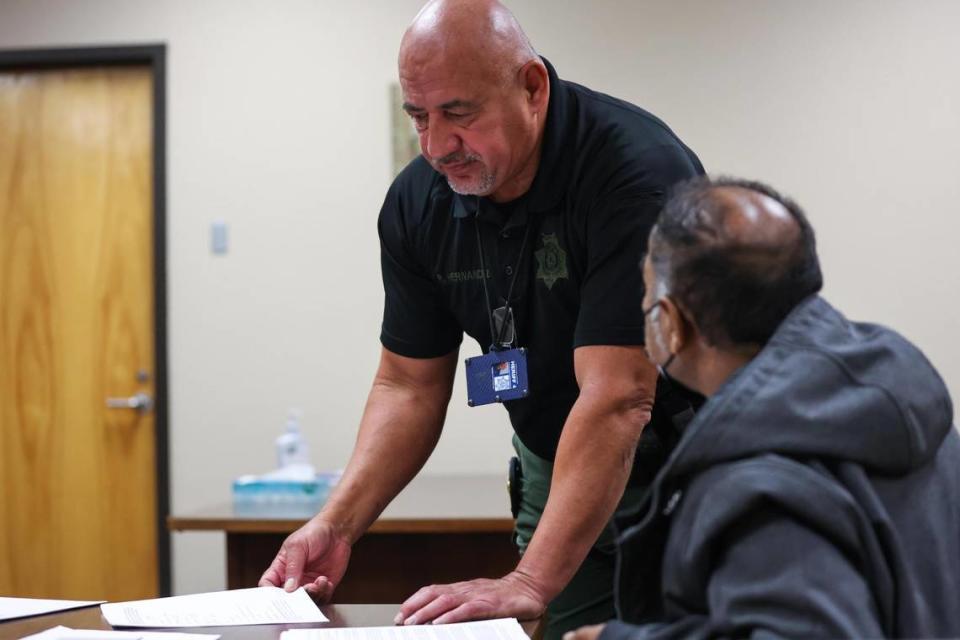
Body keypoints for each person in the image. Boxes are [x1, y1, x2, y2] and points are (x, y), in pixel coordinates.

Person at [258, 1, 703, 637]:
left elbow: (621, 397)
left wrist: (526, 581)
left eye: (458, 114)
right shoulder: (418, 202)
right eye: (418, 118)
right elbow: (407, 384)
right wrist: (337, 522)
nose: (437, 146)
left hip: (686, 469)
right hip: (557, 465)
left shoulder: (634, 174)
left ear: (532, 87)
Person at [567, 176, 960, 640]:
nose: (642, 305)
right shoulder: (900, 401)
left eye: (647, 291)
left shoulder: (759, 484)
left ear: (671, 323)